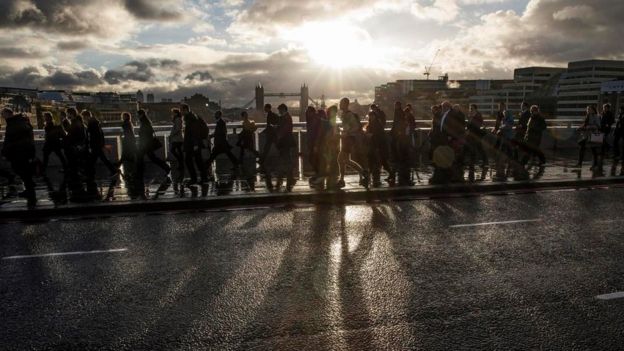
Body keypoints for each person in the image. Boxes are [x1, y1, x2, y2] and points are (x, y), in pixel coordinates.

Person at [1, 108, 36, 208]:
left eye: (3, 114)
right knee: (23, 170)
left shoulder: (13, 124)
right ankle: (29, 189)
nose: (2, 117)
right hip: (23, 150)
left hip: (19, 151)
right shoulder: (19, 121)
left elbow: (9, 139)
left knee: (20, 169)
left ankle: (30, 192)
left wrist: (5, 151)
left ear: (8, 114)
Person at [337, 97, 369, 189]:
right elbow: (349, 127)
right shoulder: (344, 114)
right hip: (348, 139)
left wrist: (346, 132)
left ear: (345, 104)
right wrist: (343, 130)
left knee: (340, 159)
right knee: (346, 160)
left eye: (341, 103)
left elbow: (354, 127)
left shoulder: (348, 115)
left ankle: (342, 180)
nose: (339, 104)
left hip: (349, 139)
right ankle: (363, 173)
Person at [137, 109, 170, 180]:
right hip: (147, 144)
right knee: (151, 158)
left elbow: (146, 133)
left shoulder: (144, 122)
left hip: (145, 144)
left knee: (141, 157)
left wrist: (142, 138)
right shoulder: (146, 121)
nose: (138, 116)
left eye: (138, 115)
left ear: (141, 115)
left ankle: (140, 172)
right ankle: (166, 167)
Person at [313, 106, 340, 189]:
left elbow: (319, 135)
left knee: (325, 164)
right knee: (330, 164)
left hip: (326, 147)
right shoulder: (331, 123)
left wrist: (316, 145)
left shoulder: (325, 123)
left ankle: (322, 182)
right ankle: (330, 182)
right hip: (328, 147)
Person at [366, 104, 394, 187]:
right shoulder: (374, 124)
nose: (371, 118)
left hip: (378, 145)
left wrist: (371, 136)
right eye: (370, 116)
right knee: (378, 161)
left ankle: (372, 178)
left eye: (372, 116)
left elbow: (378, 136)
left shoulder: (376, 124)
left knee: (378, 161)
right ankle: (389, 174)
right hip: (375, 145)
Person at [206, 110, 239, 179]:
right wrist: (212, 136)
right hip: (222, 143)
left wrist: (212, 136)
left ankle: (206, 167)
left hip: (220, 143)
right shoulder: (220, 122)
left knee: (213, 155)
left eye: (216, 114)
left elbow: (220, 133)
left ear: (219, 115)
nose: (215, 116)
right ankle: (236, 164)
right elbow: (220, 132)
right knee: (229, 154)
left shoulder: (221, 123)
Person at [85, 110, 117, 178]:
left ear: (87, 116)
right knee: (101, 159)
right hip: (97, 145)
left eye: (84, 117)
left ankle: (89, 174)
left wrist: (91, 144)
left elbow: (92, 136)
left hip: (95, 145)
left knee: (93, 160)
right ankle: (113, 170)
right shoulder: (96, 123)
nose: (84, 119)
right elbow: (101, 134)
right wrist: (102, 144)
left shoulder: (92, 124)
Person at [272, 104, 296, 191]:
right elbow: (284, 127)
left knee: (285, 159)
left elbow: (285, 130)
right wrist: (277, 127)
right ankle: (288, 178)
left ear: (283, 109)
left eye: (279, 110)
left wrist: (278, 135)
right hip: (285, 141)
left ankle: (287, 178)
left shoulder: (286, 117)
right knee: (285, 158)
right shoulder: (285, 117)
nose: (278, 111)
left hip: (285, 141)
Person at [181, 104, 206, 184]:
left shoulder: (191, 118)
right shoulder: (190, 117)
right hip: (192, 143)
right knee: (198, 161)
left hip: (193, 144)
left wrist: (195, 144)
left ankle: (195, 178)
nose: (181, 112)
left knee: (190, 160)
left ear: (185, 110)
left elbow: (195, 132)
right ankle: (202, 177)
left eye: (181, 110)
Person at [390, 102, 413, 186]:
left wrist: (396, 132)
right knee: (401, 156)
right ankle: (402, 174)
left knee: (400, 155)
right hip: (400, 136)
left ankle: (399, 174)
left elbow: (396, 124)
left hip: (400, 137)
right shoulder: (399, 113)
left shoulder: (398, 113)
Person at [464, 104, 488, 180]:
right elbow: (468, 125)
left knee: (477, 148)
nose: (470, 109)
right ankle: (483, 161)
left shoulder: (478, 115)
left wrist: (470, 122)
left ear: (475, 109)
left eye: (471, 108)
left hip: (476, 135)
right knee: (478, 148)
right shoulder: (470, 115)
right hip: (471, 135)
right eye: (470, 108)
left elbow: (478, 125)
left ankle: (481, 162)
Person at [577, 105, 602, 172]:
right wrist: (581, 127)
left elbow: (598, 126)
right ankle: (579, 163)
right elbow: (585, 124)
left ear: (593, 110)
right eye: (587, 109)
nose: (588, 110)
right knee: (582, 147)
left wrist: (589, 127)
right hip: (587, 135)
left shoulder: (596, 116)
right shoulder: (588, 116)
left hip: (592, 135)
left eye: (589, 109)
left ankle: (595, 165)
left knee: (593, 150)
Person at [492, 102, 514, 181]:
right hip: (503, 135)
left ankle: (504, 162)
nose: (500, 108)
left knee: (506, 148)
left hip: (506, 135)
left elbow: (508, 124)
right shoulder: (500, 114)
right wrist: (496, 128)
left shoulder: (508, 114)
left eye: (501, 106)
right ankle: (505, 161)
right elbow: (498, 123)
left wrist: (500, 128)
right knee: (504, 147)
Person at [41, 111, 67, 176]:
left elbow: (48, 134)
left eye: (44, 117)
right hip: (55, 143)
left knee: (46, 157)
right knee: (60, 156)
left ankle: (43, 170)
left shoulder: (48, 125)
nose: (44, 118)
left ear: (47, 118)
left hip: (50, 143)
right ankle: (66, 168)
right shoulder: (53, 124)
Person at [259, 103, 280, 170]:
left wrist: (265, 131)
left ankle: (261, 161)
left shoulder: (270, 115)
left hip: (271, 135)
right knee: (268, 148)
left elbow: (270, 125)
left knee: (267, 148)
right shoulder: (271, 114)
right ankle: (261, 160)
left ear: (268, 108)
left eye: (265, 108)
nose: (264, 109)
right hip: (272, 135)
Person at [305, 106, 321, 181]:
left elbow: (318, 133)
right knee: (313, 159)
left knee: (313, 159)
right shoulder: (311, 119)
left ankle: (319, 174)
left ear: (312, 112)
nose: (306, 113)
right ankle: (318, 174)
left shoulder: (315, 120)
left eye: (308, 112)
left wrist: (316, 145)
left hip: (315, 143)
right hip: (312, 142)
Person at [169, 108, 184, 182]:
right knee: (179, 151)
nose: (172, 114)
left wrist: (172, 135)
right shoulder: (177, 119)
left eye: (173, 113)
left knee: (173, 150)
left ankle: (181, 163)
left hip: (177, 139)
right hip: (178, 138)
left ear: (176, 113)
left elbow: (178, 129)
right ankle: (181, 163)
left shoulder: (178, 119)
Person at [613, 106, 624, 175]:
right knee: (615, 142)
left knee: (623, 145)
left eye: (621, 110)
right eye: (620, 110)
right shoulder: (620, 115)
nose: (620, 111)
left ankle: (621, 156)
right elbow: (617, 124)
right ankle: (617, 154)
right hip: (618, 131)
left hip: (623, 131)